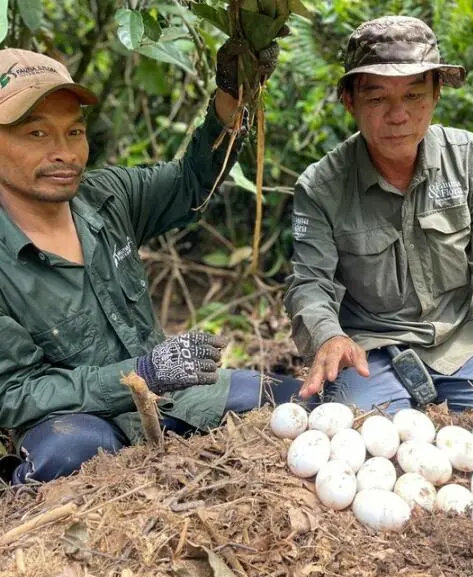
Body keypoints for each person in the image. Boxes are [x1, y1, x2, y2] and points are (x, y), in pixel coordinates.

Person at [0, 43, 300, 485]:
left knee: (294, 400)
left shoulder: (109, 198)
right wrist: (139, 374)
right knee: (66, 456)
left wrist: (233, 95)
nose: (64, 153)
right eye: (37, 134)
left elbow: (191, 181)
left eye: (75, 132)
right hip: (81, 421)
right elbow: (16, 395)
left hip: (175, 398)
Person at [284, 16, 473, 430]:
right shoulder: (321, 186)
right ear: (350, 101)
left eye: (414, 96)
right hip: (369, 349)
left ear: (436, 95)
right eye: (376, 99)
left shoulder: (471, 160)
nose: (398, 115)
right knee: (362, 437)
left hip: (460, 340)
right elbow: (310, 283)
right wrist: (328, 337)